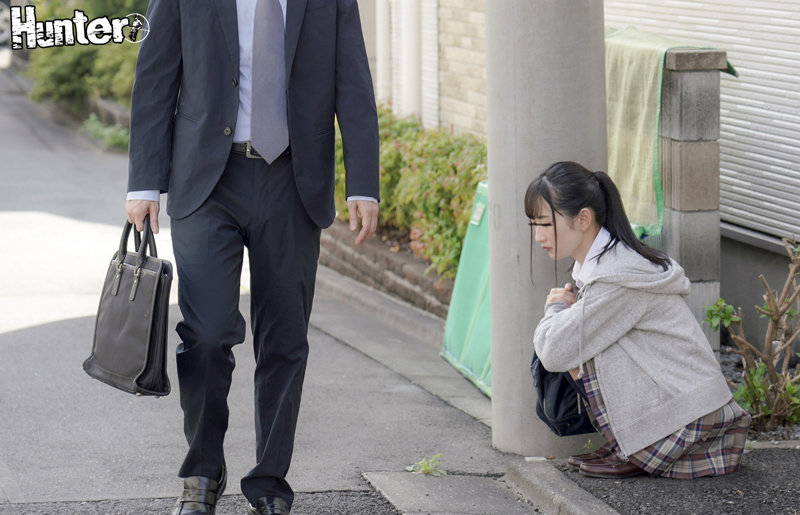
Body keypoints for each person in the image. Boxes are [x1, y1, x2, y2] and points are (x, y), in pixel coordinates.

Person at [125, 1, 379, 514]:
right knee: (206, 333)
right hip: (206, 181)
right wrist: (144, 182)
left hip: (293, 180)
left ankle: (269, 482)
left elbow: (352, 78)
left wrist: (363, 183)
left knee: (285, 339)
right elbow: (155, 75)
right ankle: (202, 472)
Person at [526, 161, 749, 480]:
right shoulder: (611, 264)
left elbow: (553, 350)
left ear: (583, 218)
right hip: (689, 406)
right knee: (582, 339)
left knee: (576, 346)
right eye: (534, 225)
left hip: (692, 421)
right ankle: (627, 443)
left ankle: (639, 446)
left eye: (546, 224)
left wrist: (556, 309)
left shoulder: (617, 278)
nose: (538, 236)